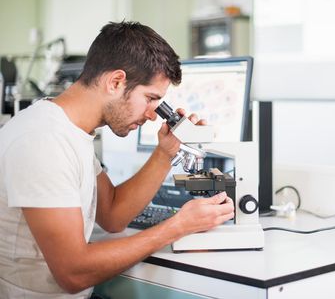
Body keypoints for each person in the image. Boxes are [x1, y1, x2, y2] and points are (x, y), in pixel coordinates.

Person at [0, 21, 235, 298]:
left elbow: (112, 214)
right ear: (115, 82)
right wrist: (176, 227)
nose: (151, 114)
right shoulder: (43, 140)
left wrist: (165, 153)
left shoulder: (69, 129)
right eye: (150, 98)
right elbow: (72, 272)